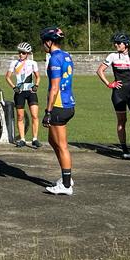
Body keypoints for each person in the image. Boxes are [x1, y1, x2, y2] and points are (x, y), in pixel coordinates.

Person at [40, 27, 76, 196]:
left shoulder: (54, 59)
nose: (42, 46)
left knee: (62, 146)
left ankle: (67, 185)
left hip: (59, 106)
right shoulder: (67, 55)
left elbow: (54, 88)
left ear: (49, 42)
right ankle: (66, 175)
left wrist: (47, 111)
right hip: (68, 103)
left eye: (43, 42)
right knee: (53, 141)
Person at [6, 42, 41, 149]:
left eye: (24, 53)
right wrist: (14, 87)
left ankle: (35, 139)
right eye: (20, 52)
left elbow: (38, 77)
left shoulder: (33, 63)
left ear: (28, 54)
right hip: (19, 93)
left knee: (34, 115)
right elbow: (7, 77)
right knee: (20, 117)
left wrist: (36, 85)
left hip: (31, 92)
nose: (21, 55)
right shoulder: (14, 63)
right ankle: (22, 139)